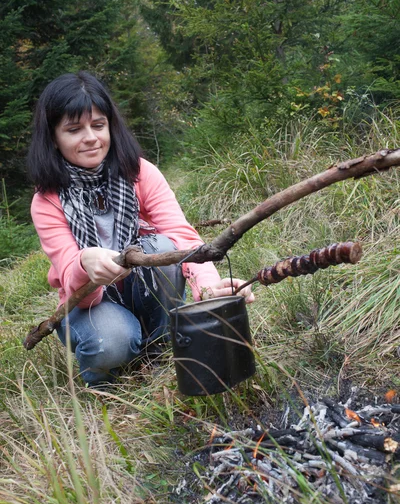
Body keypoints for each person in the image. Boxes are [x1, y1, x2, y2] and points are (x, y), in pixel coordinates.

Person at [27, 71, 254, 387]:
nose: (91, 137)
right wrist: (84, 263)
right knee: (113, 341)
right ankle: (104, 380)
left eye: (98, 125)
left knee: (161, 247)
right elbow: (69, 274)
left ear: (110, 126)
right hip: (90, 302)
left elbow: (180, 235)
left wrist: (209, 286)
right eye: (74, 129)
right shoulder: (46, 201)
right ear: (53, 137)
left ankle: (161, 349)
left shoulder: (139, 173)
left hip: (142, 289)